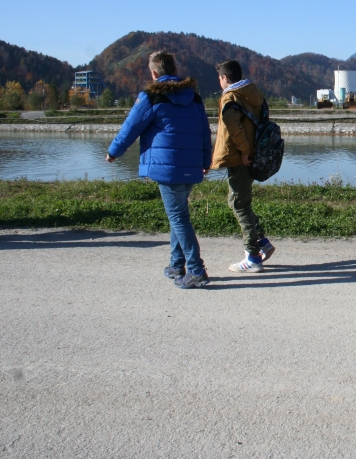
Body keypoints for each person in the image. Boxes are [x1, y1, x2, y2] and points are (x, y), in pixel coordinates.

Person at [106, 51, 212, 289]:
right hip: (190, 165)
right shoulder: (194, 97)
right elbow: (205, 131)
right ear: (174, 70)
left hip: (167, 168)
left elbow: (130, 127)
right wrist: (206, 160)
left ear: (154, 73)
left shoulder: (151, 96)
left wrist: (114, 152)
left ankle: (196, 270)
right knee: (179, 215)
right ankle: (176, 265)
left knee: (178, 217)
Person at [212, 59, 275, 273]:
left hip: (240, 157)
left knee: (239, 205)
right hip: (253, 156)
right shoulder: (253, 93)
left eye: (219, 77)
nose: (219, 81)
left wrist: (245, 151)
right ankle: (261, 243)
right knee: (240, 202)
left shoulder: (231, 97)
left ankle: (253, 257)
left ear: (225, 78)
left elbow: (234, 128)